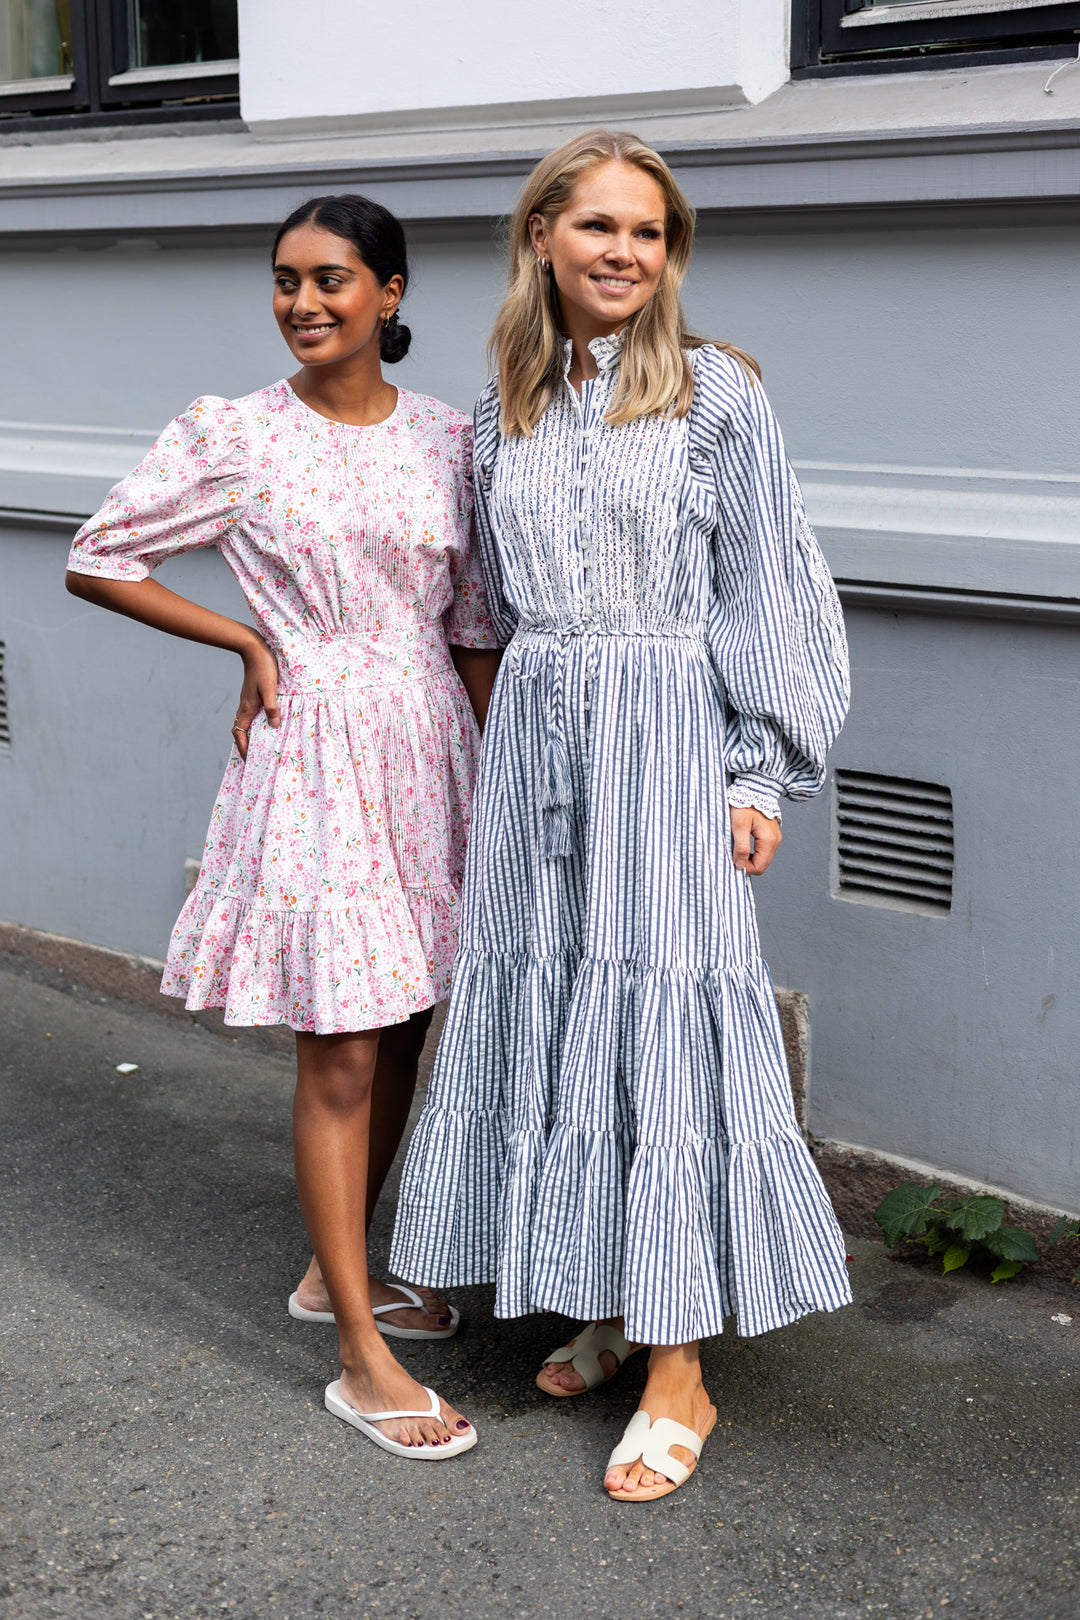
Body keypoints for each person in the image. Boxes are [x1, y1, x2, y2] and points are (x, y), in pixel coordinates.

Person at [390, 130, 853, 1500]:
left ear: (670, 253)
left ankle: (679, 1369)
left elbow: (770, 587)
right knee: (560, 1021)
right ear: (541, 235)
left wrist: (756, 769)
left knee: (662, 1026)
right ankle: (610, 1293)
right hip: (539, 749)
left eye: (647, 233)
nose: (623, 253)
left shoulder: (718, 395)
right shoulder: (501, 412)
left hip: (667, 742)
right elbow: (478, 606)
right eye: (596, 225)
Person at [65, 194, 504, 1460]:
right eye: (285, 281)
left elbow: (470, 622)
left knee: (412, 1014)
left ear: (393, 293)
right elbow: (101, 555)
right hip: (312, 745)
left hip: (431, 743)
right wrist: (246, 634)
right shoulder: (235, 433)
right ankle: (362, 1360)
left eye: (331, 280)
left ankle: (336, 1275)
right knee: (343, 1047)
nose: (304, 303)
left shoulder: (449, 440)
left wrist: (507, 767)